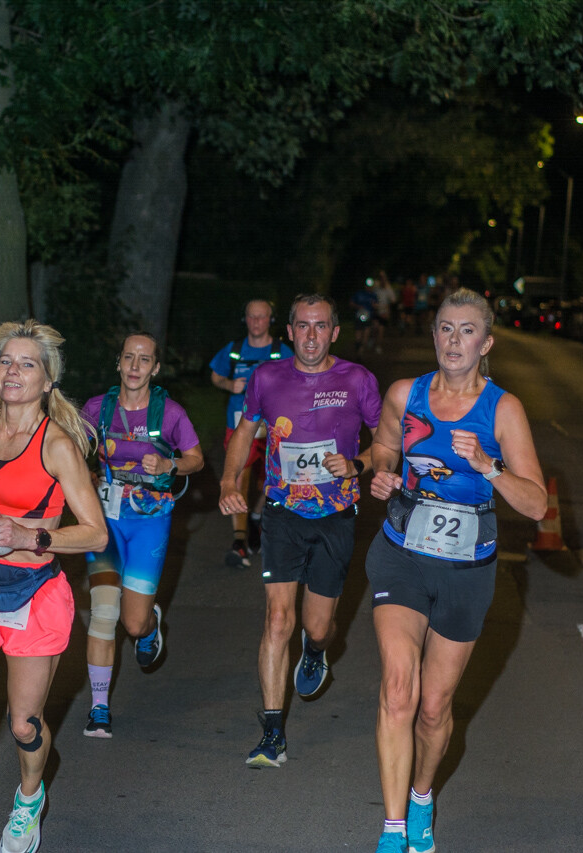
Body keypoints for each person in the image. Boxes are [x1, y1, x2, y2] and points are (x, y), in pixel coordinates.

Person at [365, 288, 546, 853]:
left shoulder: (503, 409)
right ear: (434, 334)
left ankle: (422, 796)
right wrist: (383, 472)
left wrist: (487, 465)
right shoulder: (406, 394)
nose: (453, 340)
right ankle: (393, 830)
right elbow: (384, 448)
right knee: (399, 690)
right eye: (445, 328)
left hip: (468, 569)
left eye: (467, 331)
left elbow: (537, 504)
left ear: (486, 343)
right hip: (402, 553)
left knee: (435, 709)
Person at [0, 320, 108, 853]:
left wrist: (30, 535)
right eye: (7, 361)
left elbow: (95, 532)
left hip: (33, 595)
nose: (13, 370)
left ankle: (30, 796)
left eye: (27, 363)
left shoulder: (56, 447)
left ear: (48, 379)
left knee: (22, 724)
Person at [218, 293, 381, 769]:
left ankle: (316, 651)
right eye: (303, 326)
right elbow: (245, 433)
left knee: (318, 626)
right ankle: (272, 732)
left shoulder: (357, 380)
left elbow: (386, 440)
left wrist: (358, 464)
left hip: (336, 515)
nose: (311, 335)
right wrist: (230, 480)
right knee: (276, 620)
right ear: (289, 331)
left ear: (334, 332)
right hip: (283, 514)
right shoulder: (266, 377)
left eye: (321, 326)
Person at [80, 332, 204, 738]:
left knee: (131, 624)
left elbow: (196, 460)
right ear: (119, 363)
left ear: (155, 368)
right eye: (129, 357)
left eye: (144, 359)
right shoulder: (97, 408)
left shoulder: (170, 414)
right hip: (104, 523)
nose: (135, 366)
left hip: (150, 520)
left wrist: (169, 463)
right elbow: (71, 452)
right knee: (103, 613)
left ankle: (150, 625)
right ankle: (99, 708)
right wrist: (89, 474)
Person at [209, 299, 292, 567]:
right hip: (239, 425)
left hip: (274, 427)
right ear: (245, 319)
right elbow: (215, 375)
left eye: (262, 317)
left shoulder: (282, 351)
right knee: (239, 475)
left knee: (272, 480)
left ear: (271, 319)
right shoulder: (234, 350)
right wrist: (229, 384)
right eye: (251, 317)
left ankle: (257, 515)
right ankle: (239, 540)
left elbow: (301, 381)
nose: (256, 322)